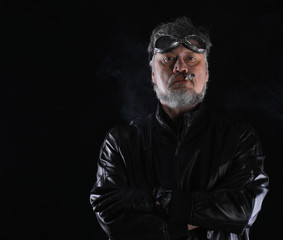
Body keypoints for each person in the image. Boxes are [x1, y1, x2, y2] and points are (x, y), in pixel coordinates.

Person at [89, 16, 269, 240]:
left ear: (207, 74)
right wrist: (195, 221)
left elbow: (243, 209)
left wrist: (155, 200)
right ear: (153, 75)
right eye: (168, 59)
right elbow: (110, 215)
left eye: (191, 58)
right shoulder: (121, 141)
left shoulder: (238, 137)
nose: (180, 67)